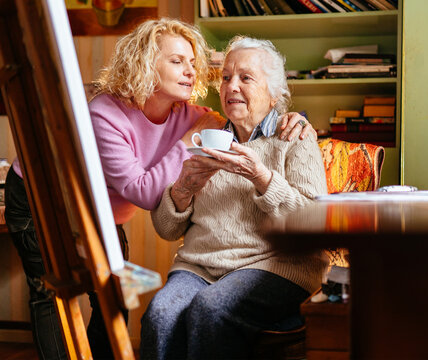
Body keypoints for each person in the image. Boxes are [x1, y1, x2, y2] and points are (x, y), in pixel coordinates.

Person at [4, 18, 314, 360]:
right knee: (52, 292)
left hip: (102, 210)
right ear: (145, 63)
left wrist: (296, 118)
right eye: (177, 61)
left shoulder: (196, 117)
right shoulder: (108, 114)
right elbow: (150, 200)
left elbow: (251, 119)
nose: (191, 72)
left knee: (113, 293)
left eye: (193, 63)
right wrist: (184, 172)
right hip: (44, 196)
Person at [140, 35, 329, 360]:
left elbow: (314, 223)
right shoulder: (204, 137)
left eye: (246, 78)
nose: (231, 87)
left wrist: (261, 177)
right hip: (199, 267)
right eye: (226, 77)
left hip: (274, 266)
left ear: (274, 94)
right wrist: (182, 189)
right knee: (160, 314)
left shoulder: (294, 138)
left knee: (211, 309)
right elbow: (166, 229)